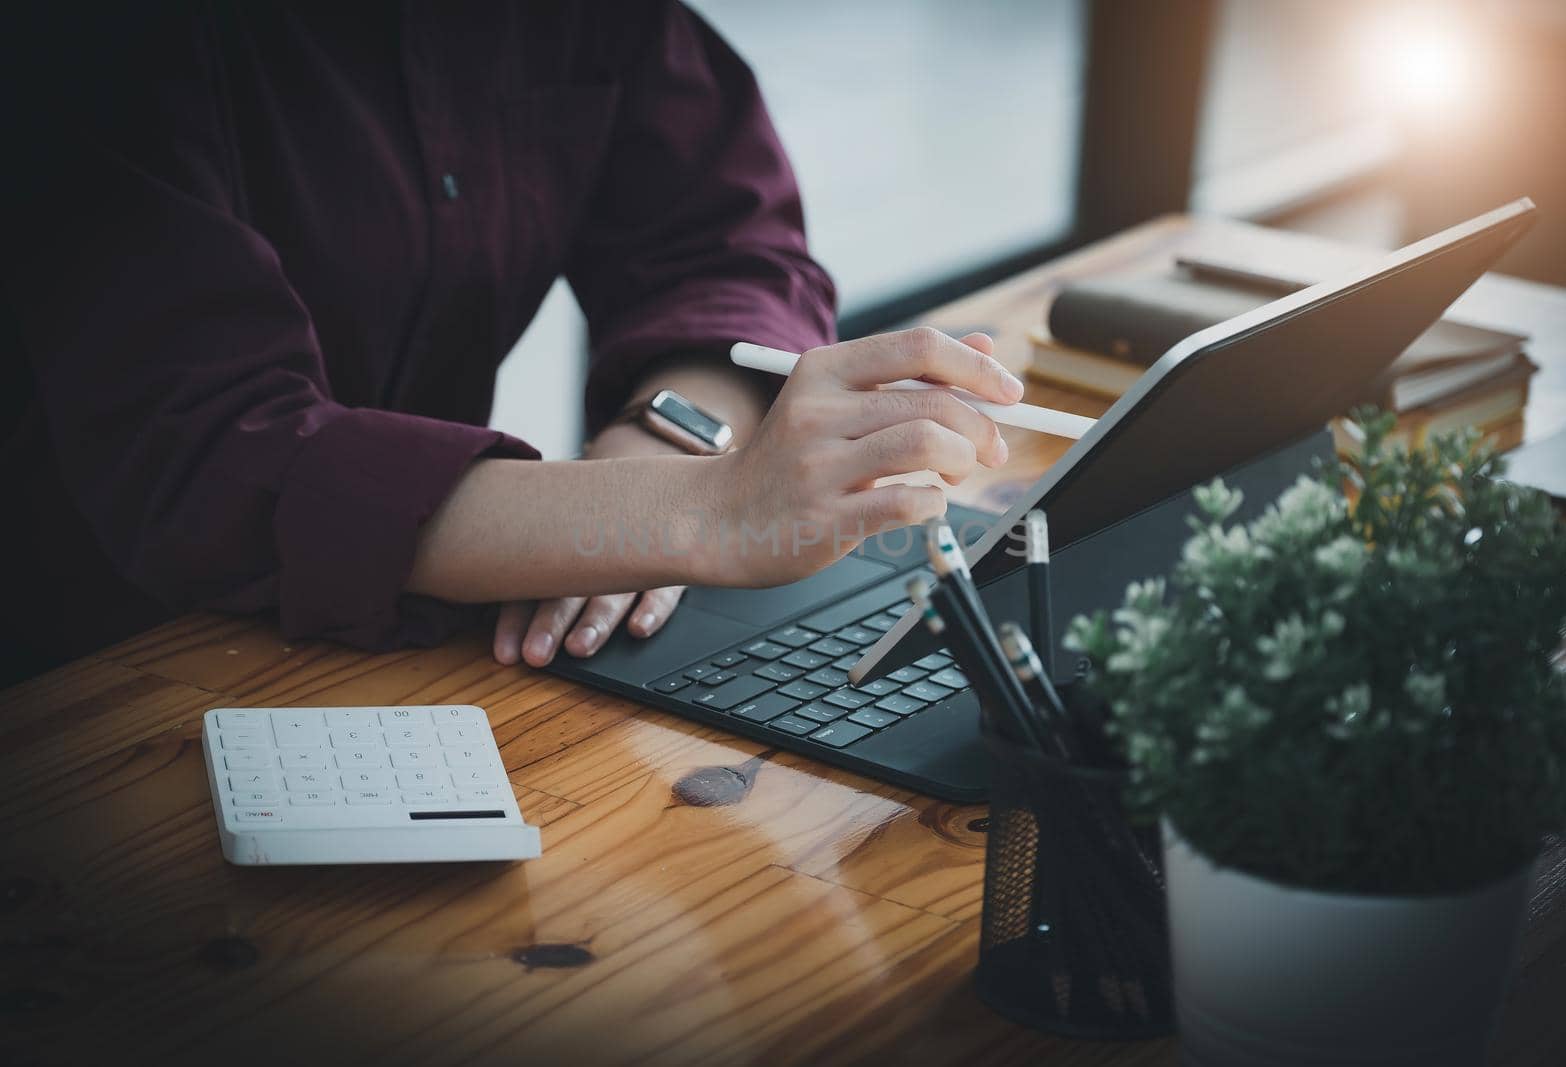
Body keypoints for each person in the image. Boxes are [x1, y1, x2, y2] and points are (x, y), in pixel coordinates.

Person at [1, 1, 1017, 683]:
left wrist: (660, 453)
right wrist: (695, 508)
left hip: (423, 643)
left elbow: (720, 244)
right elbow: (212, 453)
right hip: (91, 679)